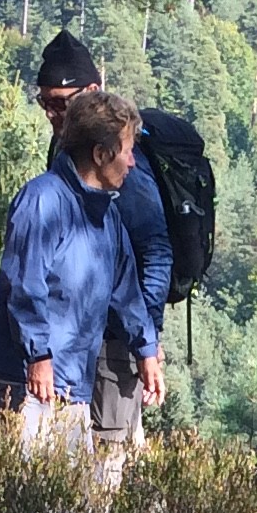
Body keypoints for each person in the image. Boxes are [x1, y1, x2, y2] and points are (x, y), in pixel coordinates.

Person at [0, 88, 159, 460]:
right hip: (28, 380)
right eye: (126, 150)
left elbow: (125, 291)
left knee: (64, 506)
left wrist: (146, 350)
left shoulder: (107, 215)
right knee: (34, 501)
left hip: (71, 379)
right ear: (101, 154)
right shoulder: (42, 201)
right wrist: (38, 357)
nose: (132, 162)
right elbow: (25, 287)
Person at [30, 31, 170, 457]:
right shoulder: (66, 151)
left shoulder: (123, 162)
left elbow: (154, 252)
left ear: (91, 91)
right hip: (75, 338)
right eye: (45, 102)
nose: (53, 112)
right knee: (69, 461)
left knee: (108, 461)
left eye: (61, 101)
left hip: (114, 343)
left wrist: (145, 338)